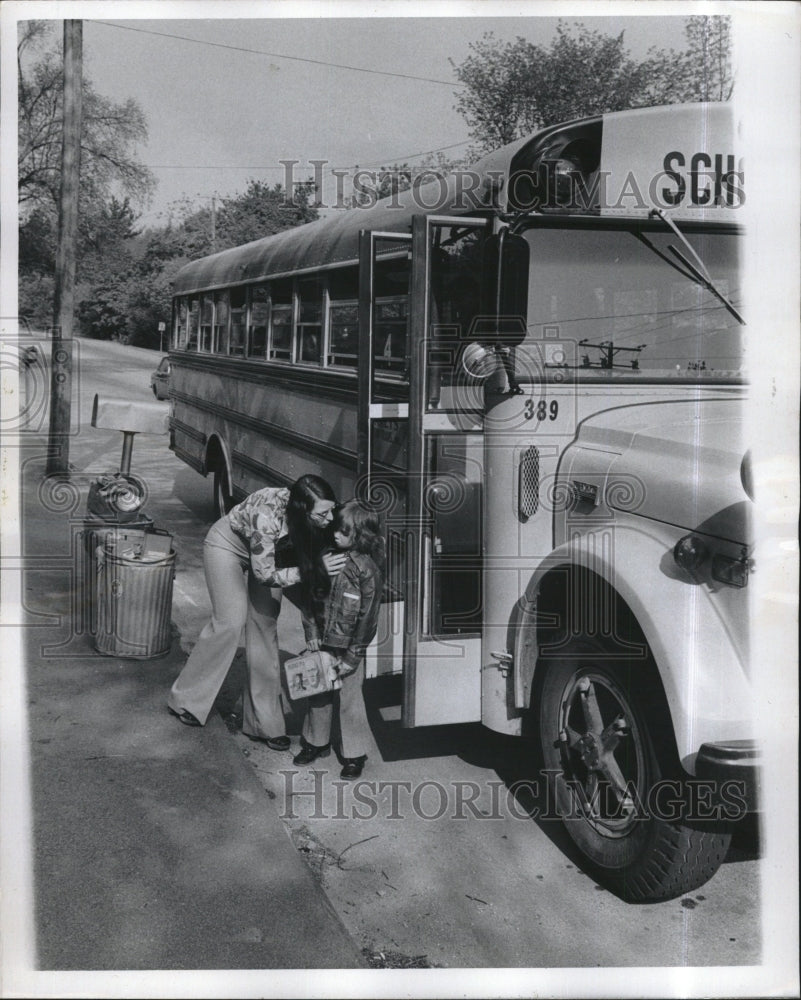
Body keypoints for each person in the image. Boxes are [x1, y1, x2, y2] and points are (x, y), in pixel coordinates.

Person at [167, 474, 346, 747]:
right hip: (228, 547)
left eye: (331, 509)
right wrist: (313, 570)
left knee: (265, 625)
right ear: (301, 510)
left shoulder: (314, 517)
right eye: (323, 513)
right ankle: (186, 701)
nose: (330, 518)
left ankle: (264, 725)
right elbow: (265, 575)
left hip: (272, 557)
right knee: (231, 620)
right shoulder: (267, 517)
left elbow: (307, 581)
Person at [293, 499, 384, 779]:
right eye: (335, 529)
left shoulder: (367, 571)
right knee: (318, 692)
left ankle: (354, 754)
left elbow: (368, 618)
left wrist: (353, 655)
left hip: (349, 649)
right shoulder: (327, 558)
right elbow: (309, 597)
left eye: (343, 531)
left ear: (360, 534)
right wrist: (310, 632)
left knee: (350, 699)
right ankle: (315, 742)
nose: (335, 534)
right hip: (322, 641)